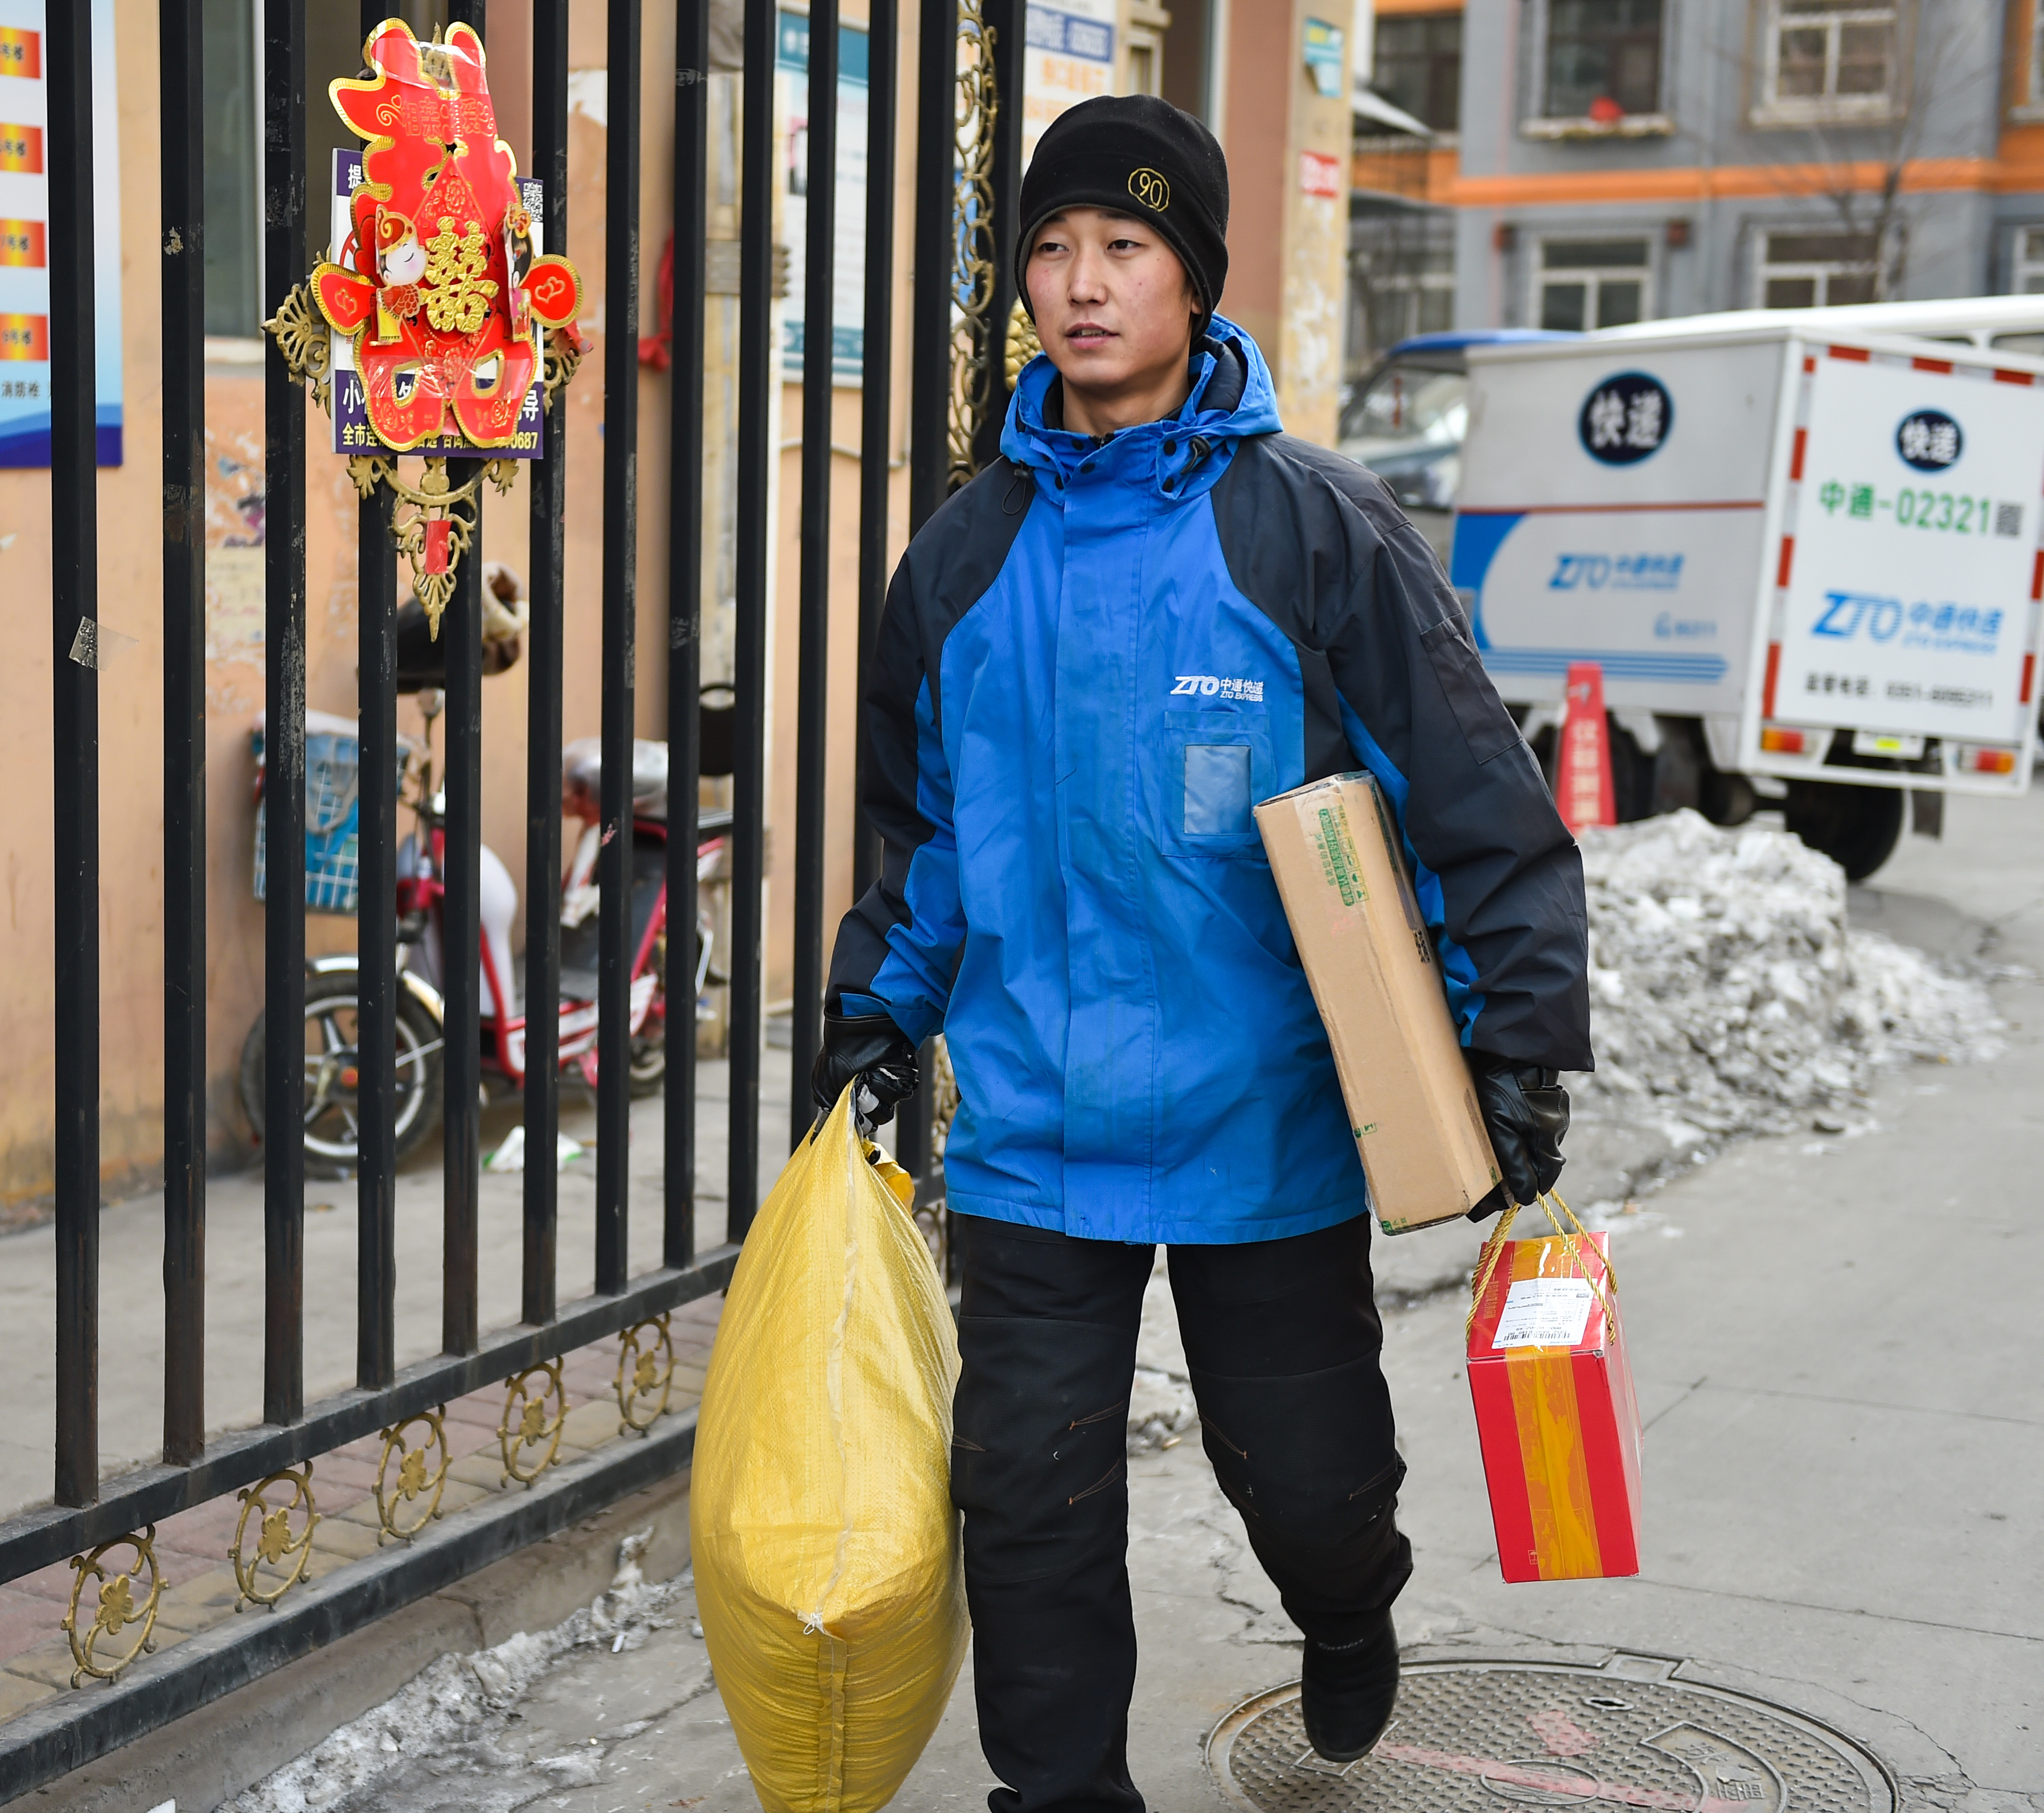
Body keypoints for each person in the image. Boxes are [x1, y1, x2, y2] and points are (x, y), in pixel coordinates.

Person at [811, 95, 1587, 1807]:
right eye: (1054, 248)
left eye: (1127, 247)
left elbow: (1469, 796)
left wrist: (1516, 1036)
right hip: (1034, 1136)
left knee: (1304, 1475)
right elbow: (929, 828)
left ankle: (1349, 1608)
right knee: (1029, 1502)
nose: (1083, 284)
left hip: (1270, 1127)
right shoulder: (963, 557)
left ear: (1195, 279)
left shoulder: (1308, 529)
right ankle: (1060, 1789)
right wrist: (881, 1000)